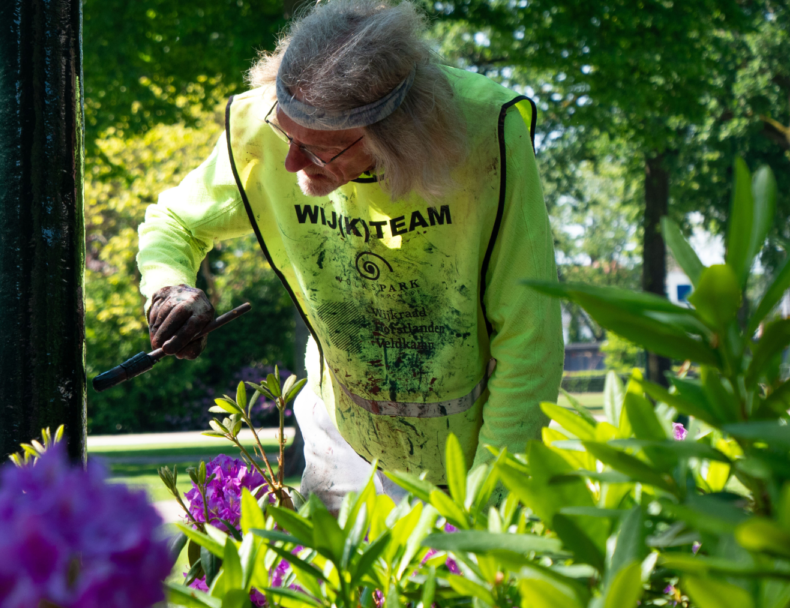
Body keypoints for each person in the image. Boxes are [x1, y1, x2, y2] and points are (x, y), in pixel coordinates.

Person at [136, 0, 563, 509]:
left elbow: (529, 339)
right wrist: (168, 287)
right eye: (286, 136)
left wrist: (490, 497)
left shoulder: (485, 133)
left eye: (320, 150)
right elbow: (174, 221)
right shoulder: (263, 125)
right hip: (337, 431)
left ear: (396, 137)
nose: (293, 163)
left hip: (463, 445)